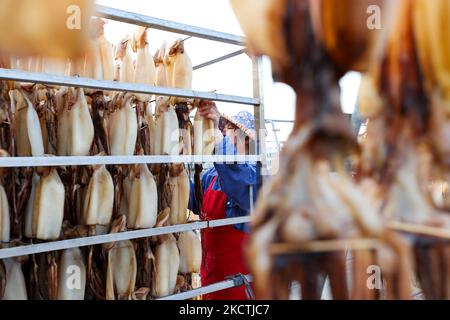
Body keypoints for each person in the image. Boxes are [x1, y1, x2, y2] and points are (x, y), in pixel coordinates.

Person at [189, 101, 258, 300]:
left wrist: (219, 142)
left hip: (239, 289)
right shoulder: (210, 175)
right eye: (227, 131)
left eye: (233, 133)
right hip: (210, 282)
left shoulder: (254, 175)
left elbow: (237, 176)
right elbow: (192, 200)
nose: (228, 136)